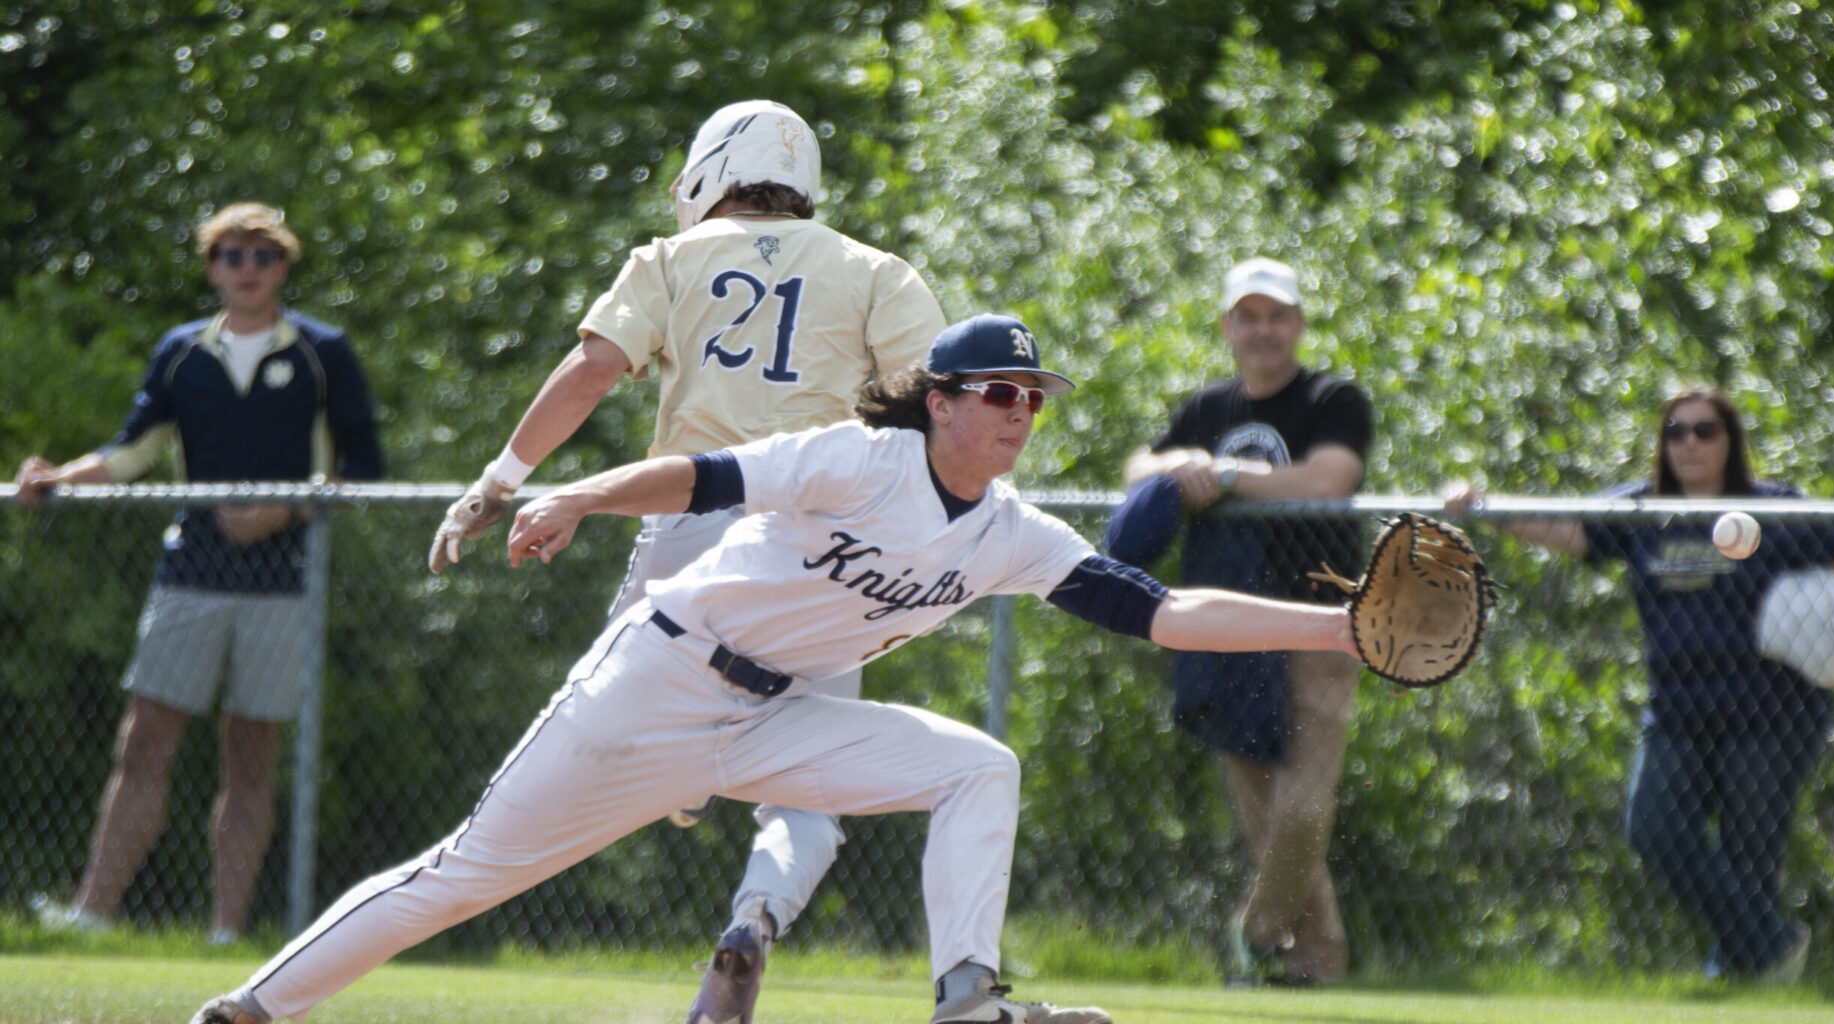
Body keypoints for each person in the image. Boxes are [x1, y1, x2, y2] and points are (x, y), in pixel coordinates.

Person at [187, 313, 1360, 1024]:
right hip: (657, 684)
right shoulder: (862, 459)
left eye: (1033, 398)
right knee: (463, 876)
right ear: (940, 400)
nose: (1020, 412)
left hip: (773, 720)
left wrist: (1336, 631)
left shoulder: (1011, 531)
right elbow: (702, 477)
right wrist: (578, 495)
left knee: (978, 766)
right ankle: (250, 1008)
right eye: (1000, 393)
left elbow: (1163, 611)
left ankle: (966, 997)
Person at [423, 99, 946, 1024]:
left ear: (712, 173)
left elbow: (592, 370)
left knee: (605, 720)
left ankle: (673, 778)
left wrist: (500, 479)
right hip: (823, 538)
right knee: (810, 793)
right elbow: (931, 410)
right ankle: (755, 917)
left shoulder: (670, 258)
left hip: (694, 516)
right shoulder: (876, 270)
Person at [14, 201, 384, 943]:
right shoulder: (182, 351)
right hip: (189, 572)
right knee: (143, 742)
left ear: (283, 267)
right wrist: (57, 477)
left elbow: (366, 471)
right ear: (212, 268)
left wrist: (283, 511)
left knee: (249, 758)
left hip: (284, 580)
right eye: (233, 256)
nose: (248, 269)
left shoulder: (324, 352)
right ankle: (90, 917)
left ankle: (225, 934)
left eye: (263, 256)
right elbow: (132, 451)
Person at [1444, 387, 1834, 982]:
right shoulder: (1644, 509)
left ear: (1730, 440)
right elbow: (1567, 529)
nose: (1689, 443)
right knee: (1654, 830)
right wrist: (1481, 507)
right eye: (1676, 431)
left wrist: (1821, 622)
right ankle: (1770, 949)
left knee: (1751, 857)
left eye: (1705, 430)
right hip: (1678, 711)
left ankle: (1739, 976)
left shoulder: (1774, 506)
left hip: (1774, 712)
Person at [1116, 257, 1372, 986]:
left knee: (1302, 808)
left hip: (1320, 622)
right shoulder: (1209, 409)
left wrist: (1225, 477)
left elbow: (1329, 479)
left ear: (1298, 324)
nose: (1263, 331)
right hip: (1230, 628)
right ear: (1229, 327)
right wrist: (1179, 468)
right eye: (1249, 317)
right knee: (1262, 816)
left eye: (1277, 316)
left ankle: (1254, 935)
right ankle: (1313, 964)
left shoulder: (1331, 399)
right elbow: (1136, 469)